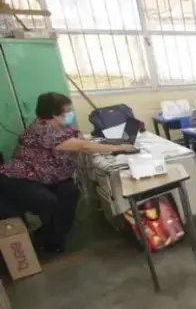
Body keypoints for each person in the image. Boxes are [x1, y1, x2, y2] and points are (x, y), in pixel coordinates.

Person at [0, 93, 136, 252]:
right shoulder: (41, 130)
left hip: (50, 176)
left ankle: (57, 236)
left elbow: (79, 139)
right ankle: (44, 237)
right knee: (47, 201)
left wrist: (106, 142)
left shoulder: (59, 126)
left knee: (70, 192)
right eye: (67, 111)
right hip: (23, 177)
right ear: (54, 114)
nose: (70, 114)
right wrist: (119, 148)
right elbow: (82, 147)